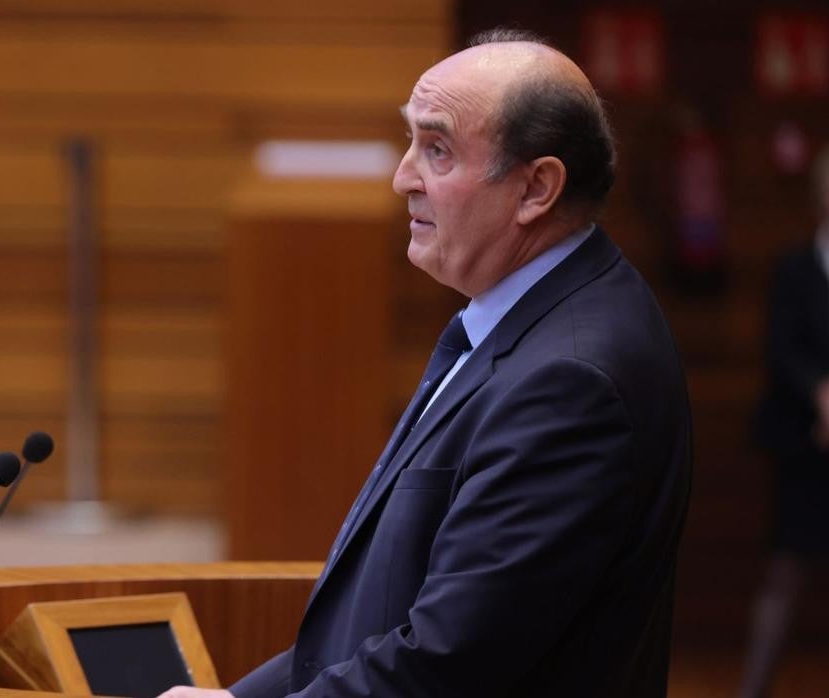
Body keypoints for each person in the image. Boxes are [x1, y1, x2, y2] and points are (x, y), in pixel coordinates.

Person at [160, 28, 692, 698]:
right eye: (410, 141)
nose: (401, 176)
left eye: (437, 150)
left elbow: (449, 661)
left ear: (537, 188)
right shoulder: (530, 319)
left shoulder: (571, 382)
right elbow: (386, 618)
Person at [738, 146, 829, 698]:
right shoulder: (794, 267)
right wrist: (821, 394)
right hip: (805, 448)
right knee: (786, 574)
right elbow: (781, 349)